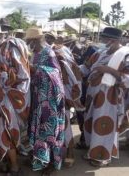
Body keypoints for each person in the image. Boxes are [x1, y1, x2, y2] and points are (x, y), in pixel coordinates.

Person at [80, 27, 129, 167]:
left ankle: (102, 157)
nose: (102, 42)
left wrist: (108, 70)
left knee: (104, 126)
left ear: (112, 41)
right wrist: (73, 68)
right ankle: (92, 151)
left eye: (104, 40)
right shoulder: (100, 53)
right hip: (93, 96)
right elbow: (87, 67)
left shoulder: (125, 55)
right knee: (92, 124)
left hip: (110, 99)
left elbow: (127, 79)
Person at [0, 37, 30, 175]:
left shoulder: (11, 48)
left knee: (7, 129)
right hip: (0, 97)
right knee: (1, 128)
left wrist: (0, 83)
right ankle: (7, 161)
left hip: (10, 98)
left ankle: (15, 167)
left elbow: (23, 75)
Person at [26, 28, 65, 176]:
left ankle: (50, 164)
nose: (28, 44)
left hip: (50, 100)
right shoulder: (35, 54)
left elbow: (55, 74)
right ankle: (40, 158)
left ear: (35, 41)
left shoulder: (48, 53)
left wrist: (35, 69)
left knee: (49, 131)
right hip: (38, 98)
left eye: (29, 42)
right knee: (37, 130)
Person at [52, 35, 85, 168]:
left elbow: (71, 78)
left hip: (62, 94)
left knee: (65, 124)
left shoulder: (62, 55)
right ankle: (55, 152)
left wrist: (68, 96)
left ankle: (70, 152)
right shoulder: (46, 53)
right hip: (48, 94)